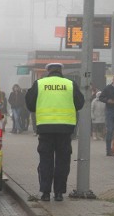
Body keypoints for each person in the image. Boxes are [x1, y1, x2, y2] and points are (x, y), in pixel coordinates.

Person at [25, 63, 84, 202]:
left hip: (45, 129)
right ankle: (59, 193)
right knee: (62, 161)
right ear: (61, 71)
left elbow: (30, 104)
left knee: (46, 160)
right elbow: (80, 103)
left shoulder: (39, 84)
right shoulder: (70, 84)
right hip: (65, 129)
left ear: (48, 71)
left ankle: (45, 193)